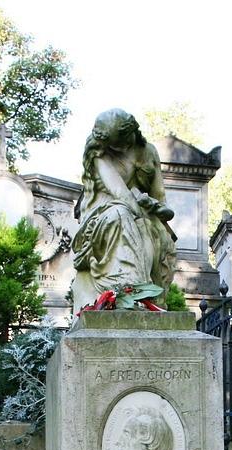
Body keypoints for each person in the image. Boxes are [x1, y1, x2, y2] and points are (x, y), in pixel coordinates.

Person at [71, 109, 176, 311]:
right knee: (122, 214)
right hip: (102, 216)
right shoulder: (100, 154)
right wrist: (141, 212)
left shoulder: (149, 152)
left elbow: (166, 209)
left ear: (132, 132)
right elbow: (122, 195)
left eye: (121, 143)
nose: (118, 149)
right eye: (113, 146)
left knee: (149, 228)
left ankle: (141, 297)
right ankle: (128, 291)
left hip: (141, 214)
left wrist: (152, 206)